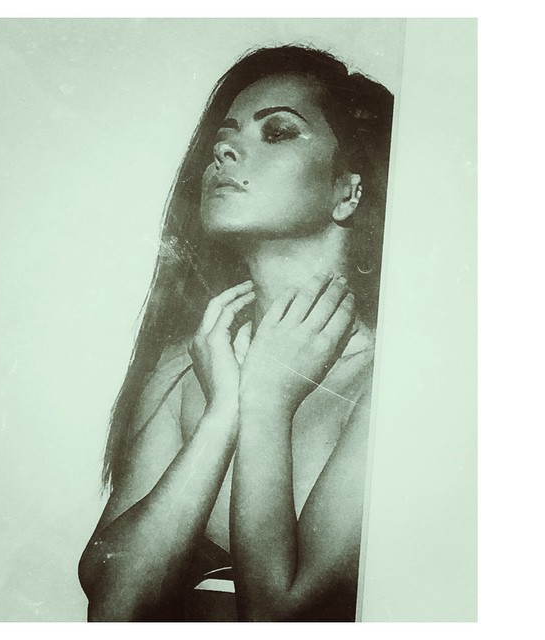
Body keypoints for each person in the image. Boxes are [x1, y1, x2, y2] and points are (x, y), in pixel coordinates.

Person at [78, 45, 394, 622]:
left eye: (278, 132)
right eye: (223, 138)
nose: (222, 151)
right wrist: (225, 410)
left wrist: (268, 400)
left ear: (347, 191)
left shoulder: (393, 382)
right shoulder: (189, 364)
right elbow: (112, 608)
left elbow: (281, 617)